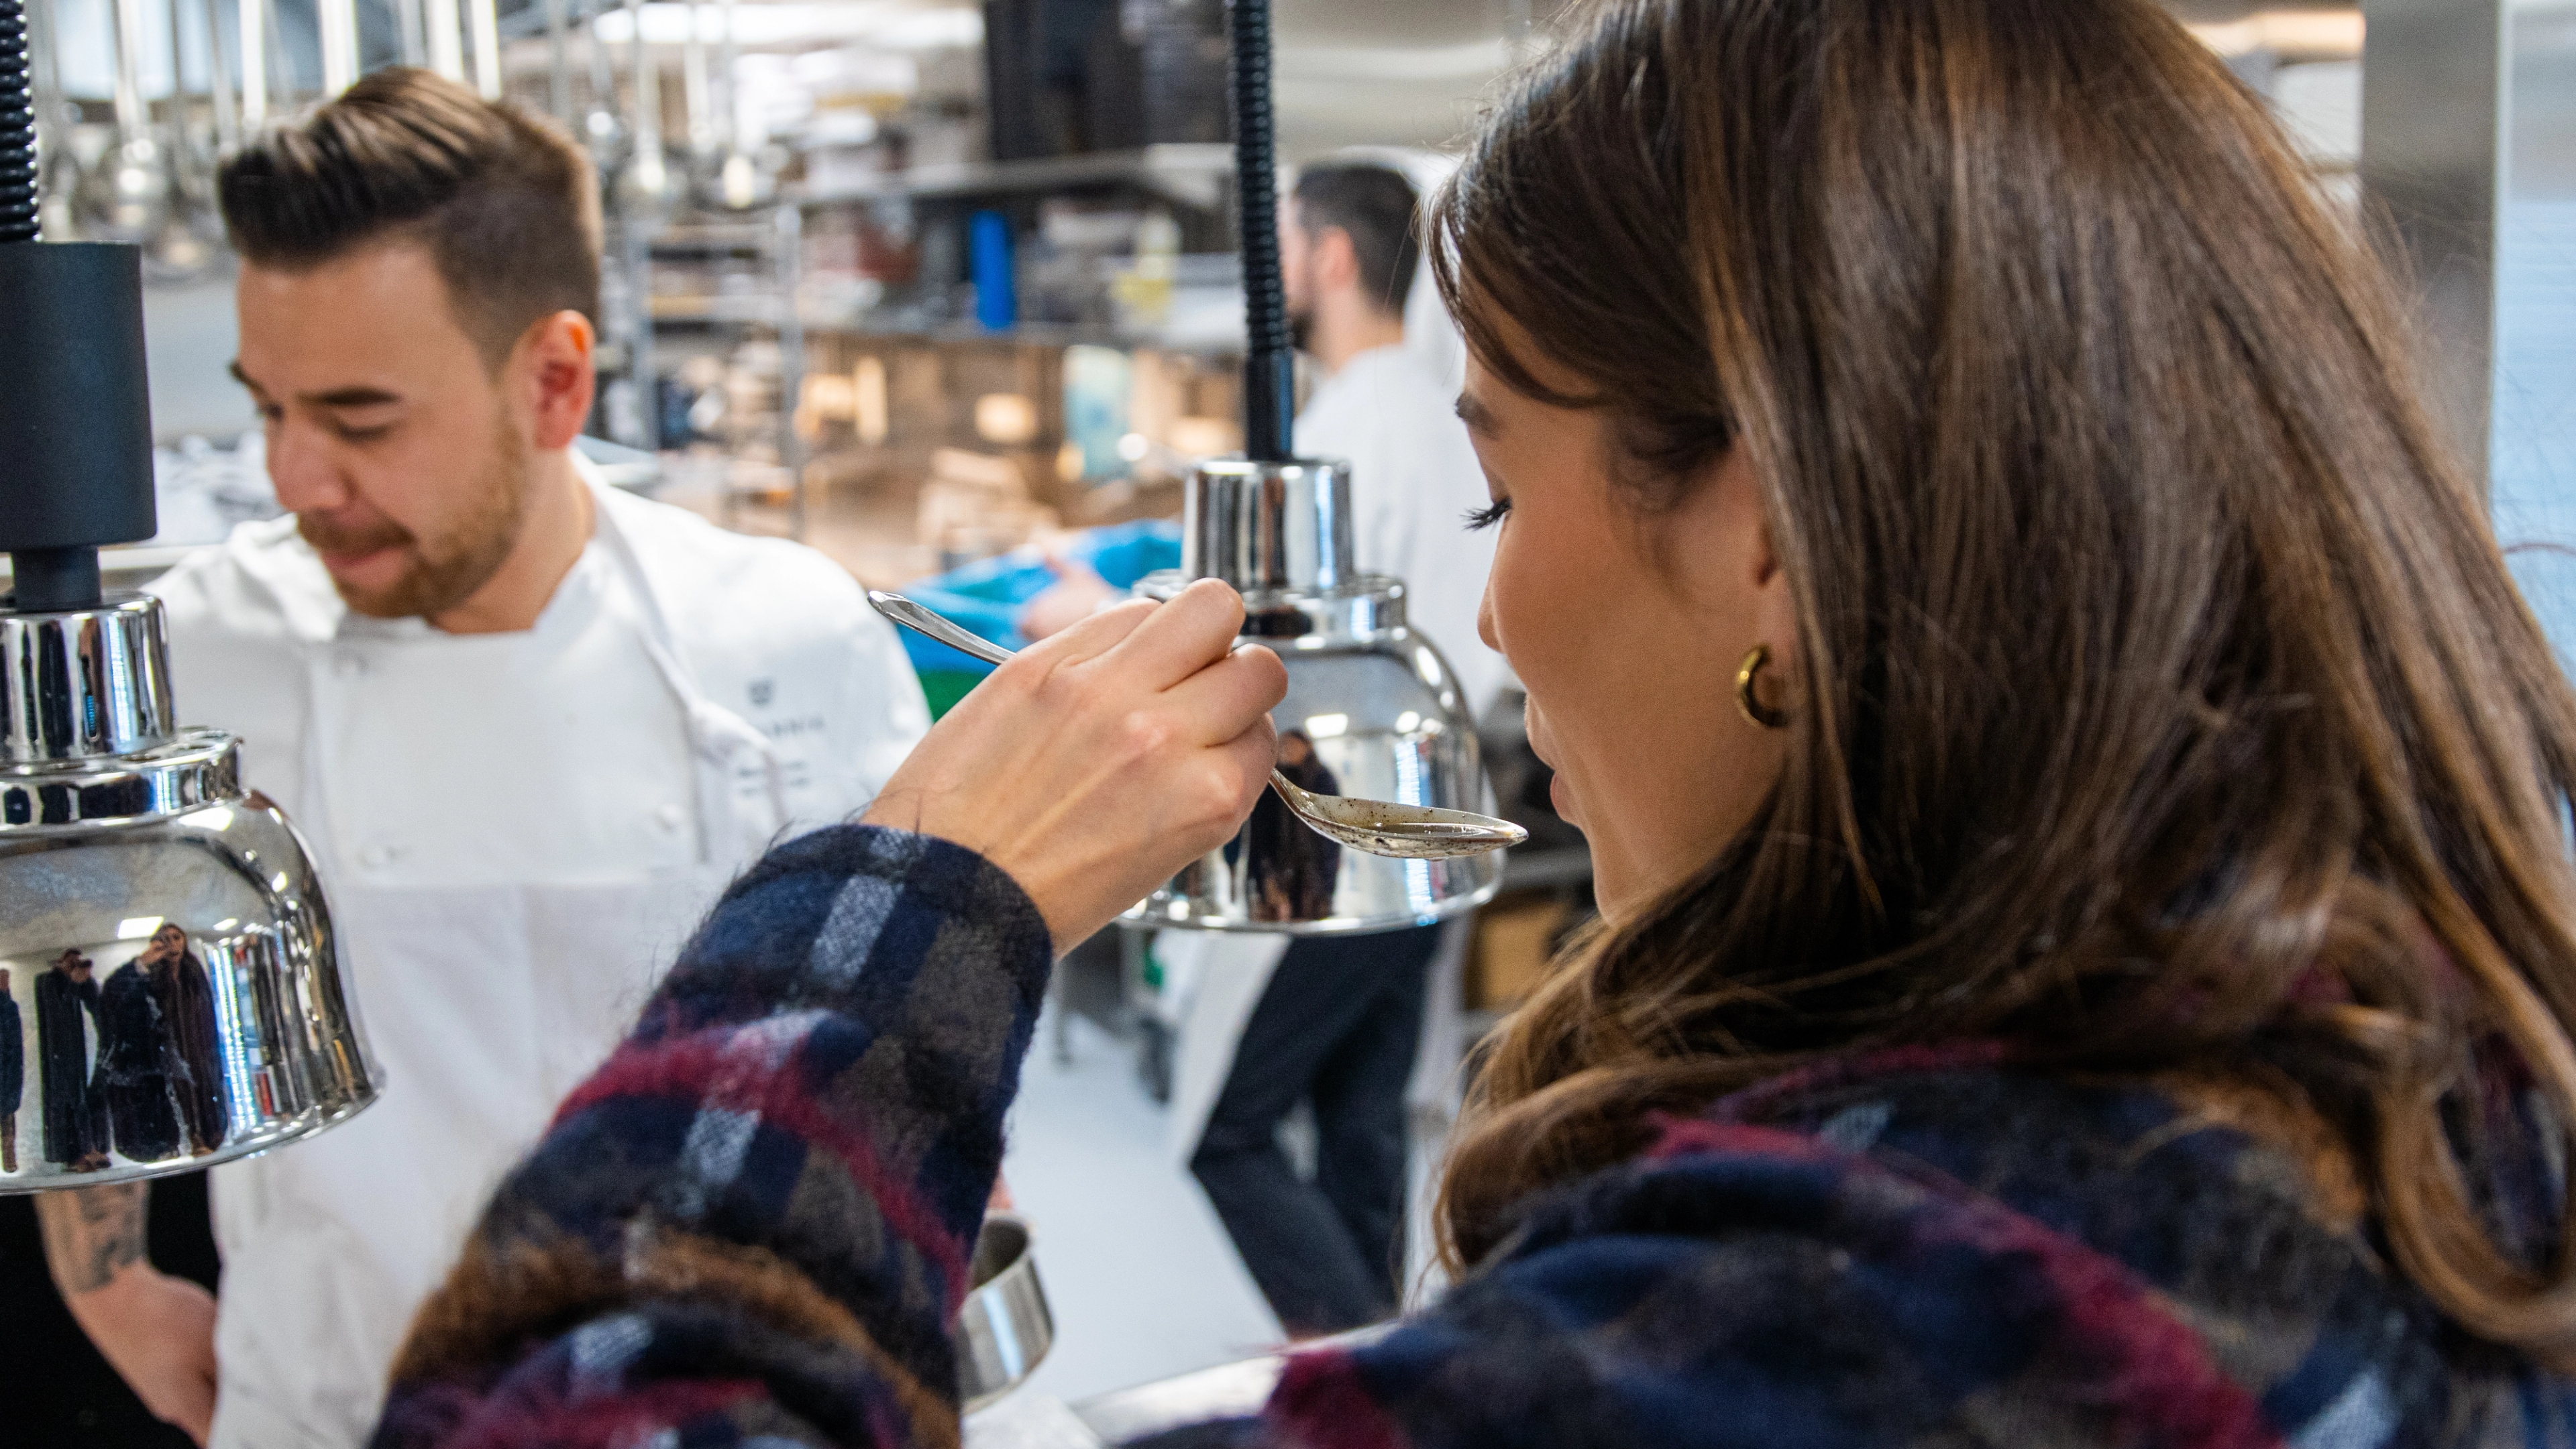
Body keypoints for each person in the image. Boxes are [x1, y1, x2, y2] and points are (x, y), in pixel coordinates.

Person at [339, 0, 2576, 1442]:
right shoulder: (2420, 1082)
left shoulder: (1881, 1321)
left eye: (1511, 482)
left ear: (1775, 520)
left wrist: (932, 892)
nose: (1493, 599)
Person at [33, 68, 929, 1449]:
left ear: (555, 382)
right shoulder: (200, 656)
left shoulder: (779, 640)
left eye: (359, 419)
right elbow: (72, 968)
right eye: (268, 407)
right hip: (331, 1403)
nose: (294, 478)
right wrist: (102, 1280)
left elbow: (912, 1027)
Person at [142, 926, 227, 1156]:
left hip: (198, 1041)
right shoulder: (155, 974)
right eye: (165, 940)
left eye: (176, 938)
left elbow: (206, 1005)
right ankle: (191, 1138)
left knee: (205, 1085)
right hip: (171, 1045)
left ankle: (212, 1135)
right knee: (180, 1091)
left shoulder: (193, 968)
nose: (172, 944)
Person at [91, 953, 182, 1165]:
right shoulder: (122, 983)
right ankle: (151, 1148)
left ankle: (162, 1146)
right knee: (136, 1109)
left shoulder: (157, 982)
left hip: (152, 1063)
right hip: (131, 1065)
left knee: (157, 1105)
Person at [35, 951, 105, 1172]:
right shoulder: (48, 982)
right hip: (58, 1055)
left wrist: (87, 982)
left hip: (80, 1050)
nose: (74, 966)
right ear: (59, 962)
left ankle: (91, 1147)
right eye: (70, 961)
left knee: (89, 1098)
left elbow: (97, 1008)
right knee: (68, 1101)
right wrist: (74, 984)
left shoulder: (75, 982)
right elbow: (58, 1015)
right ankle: (76, 1154)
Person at [1, 968, 22, 1175]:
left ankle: (10, 1162)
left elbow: (14, 1045)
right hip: (7, 1078)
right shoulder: (7, 1006)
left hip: (8, 1079)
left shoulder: (9, 1006)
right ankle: (9, 1162)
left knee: (8, 1124)